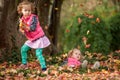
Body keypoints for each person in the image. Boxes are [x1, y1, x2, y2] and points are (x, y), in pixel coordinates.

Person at [17, 1, 50, 71]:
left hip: (39, 38)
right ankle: (24, 64)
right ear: (21, 11)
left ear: (31, 11)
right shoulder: (22, 19)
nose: (27, 12)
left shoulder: (34, 18)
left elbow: (32, 28)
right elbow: (21, 28)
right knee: (23, 49)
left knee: (38, 53)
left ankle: (44, 67)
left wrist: (24, 27)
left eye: (29, 10)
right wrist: (22, 30)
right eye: (25, 10)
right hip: (32, 39)